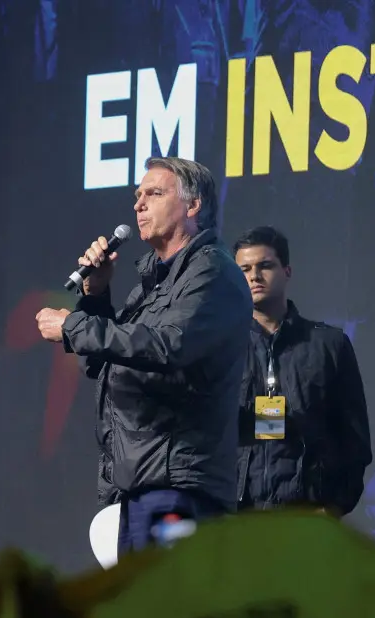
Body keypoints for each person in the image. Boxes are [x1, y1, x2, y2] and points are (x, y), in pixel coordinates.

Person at [34, 157, 251, 553]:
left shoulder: (212, 272)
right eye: (137, 196)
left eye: (154, 193)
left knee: (173, 609)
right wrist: (96, 295)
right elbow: (103, 362)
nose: (138, 205)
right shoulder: (153, 281)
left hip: (180, 488)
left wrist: (72, 327)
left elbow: (167, 346)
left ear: (193, 205)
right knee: (144, 610)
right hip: (140, 486)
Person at [231, 226, 371, 515]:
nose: (254, 276)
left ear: (287, 271)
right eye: (244, 269)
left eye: (265, 266)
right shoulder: (222, 346)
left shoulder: (328, 344)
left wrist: (332, 508)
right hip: (237, 520)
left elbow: (355, 440)